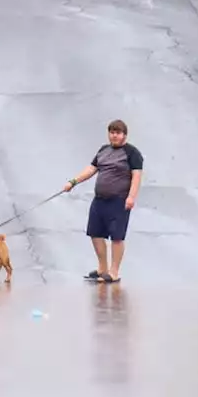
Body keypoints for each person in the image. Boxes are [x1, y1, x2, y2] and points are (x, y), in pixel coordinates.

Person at [63, 119, 143, 283]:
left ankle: (113, 272)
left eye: (118, 133)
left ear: (124, 135)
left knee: (117, 237)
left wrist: (131, 197)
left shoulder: (132, 153)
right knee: (95, 234)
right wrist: (73, 182)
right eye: (112, 132)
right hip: (100, 200)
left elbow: (136, 176)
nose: (114, 136)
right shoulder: (103, 150)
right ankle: (102, 268)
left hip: (119, 200)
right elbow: (92, 169)